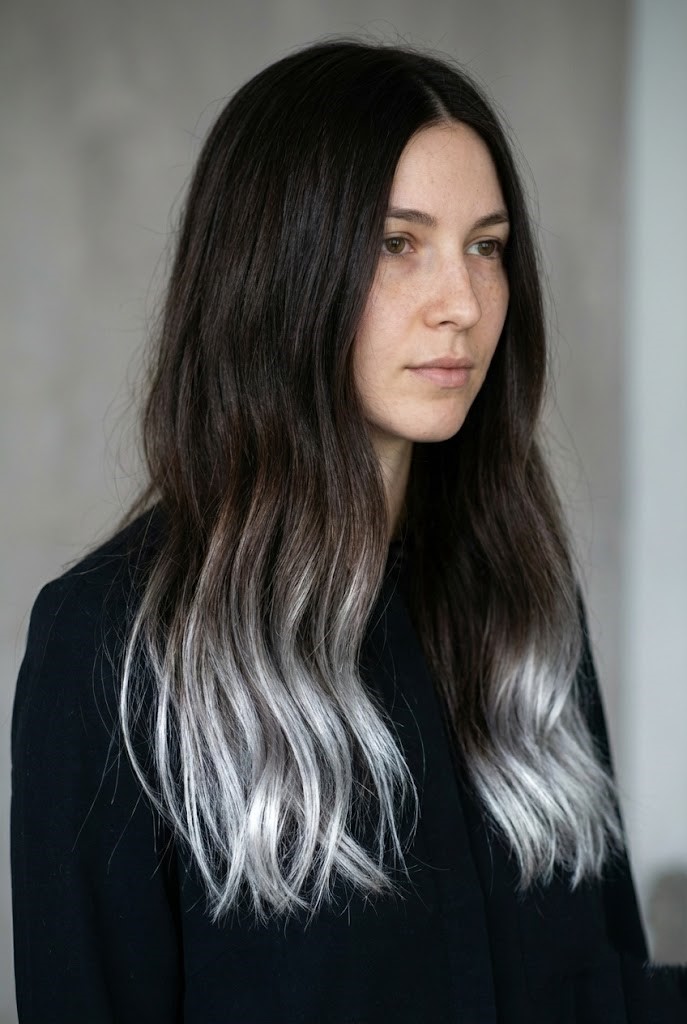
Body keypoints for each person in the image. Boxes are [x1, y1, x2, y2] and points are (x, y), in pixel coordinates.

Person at [10, 39, 686, 1023]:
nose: (462, 304)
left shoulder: (524, 602)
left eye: (486, 246)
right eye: (396, 243)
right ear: (278, 267)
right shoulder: (112, 645)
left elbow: (605, 981)